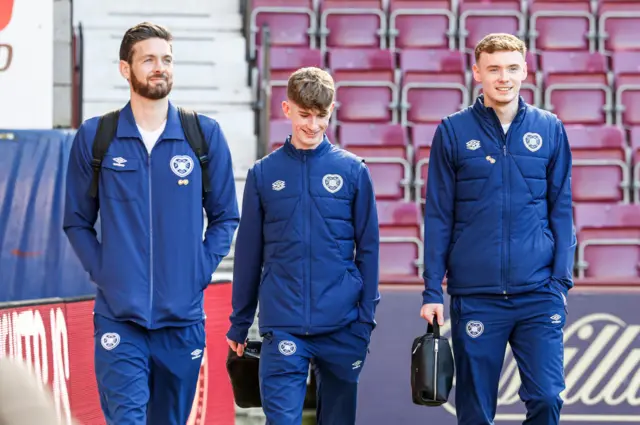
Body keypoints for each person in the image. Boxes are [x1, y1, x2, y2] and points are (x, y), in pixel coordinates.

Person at [63, 22, 239, 425]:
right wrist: (106, 273)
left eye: (166, 59)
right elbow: (76, 221)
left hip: (182, 320)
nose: (160, 67)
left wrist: (198, 269)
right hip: (119, 319)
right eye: (149, 60)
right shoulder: (97, 136)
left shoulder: (203, 136)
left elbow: (226, 215)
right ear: (126, 69)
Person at [419, 33, 575, 425]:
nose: (503, 77)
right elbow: (438, 216)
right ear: (477, 72)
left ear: (525, 70)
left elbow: (562, 209)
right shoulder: (452, 131)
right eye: (493, 69)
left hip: (539, 293)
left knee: (548, 397)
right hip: (476, 296)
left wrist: (560, 281)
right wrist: (431, 288)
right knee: (474, 412)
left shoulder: (550, 129)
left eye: (510, 68)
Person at [226, 67, 380, 424]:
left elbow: (369, 250)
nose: (312, 125)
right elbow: (249, 254)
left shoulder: (354, 171)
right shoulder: (263, 174)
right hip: (284, 327)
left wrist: (365, 320)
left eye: (321, 116)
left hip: (343, 326)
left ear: (331, 111)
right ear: (287, 109)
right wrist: (239, 322)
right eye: (305, 114)